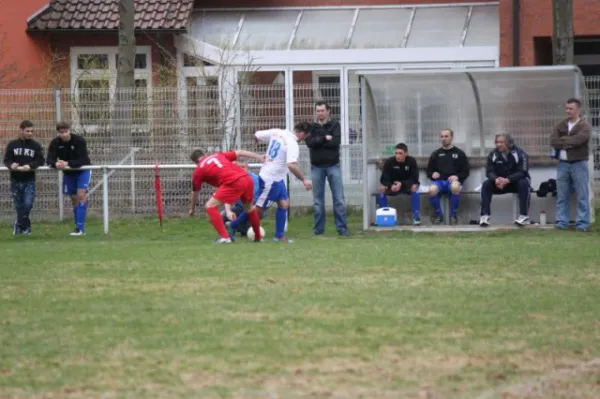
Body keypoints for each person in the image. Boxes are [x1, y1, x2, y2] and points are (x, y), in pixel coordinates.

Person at [226, 123, 312, 242]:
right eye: (306, 136)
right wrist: (304, 179)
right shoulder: (292, 144)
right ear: (302, 133)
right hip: (270, 180)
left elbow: (257, 135)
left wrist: (255, 141)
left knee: (284, 204)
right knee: (258, 209)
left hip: (277, 178)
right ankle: (233, 225)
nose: (304, 139)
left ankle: (279, 236)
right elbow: (291, 165)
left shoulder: (277, 132)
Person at [188, 149, 265, 243]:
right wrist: (259, 157)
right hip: (247, 178)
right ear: (204, 154)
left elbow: (195, 193)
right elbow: (240, 152)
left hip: (233, 182)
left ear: (195, 162)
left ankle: (224, 237)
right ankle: (258, 237)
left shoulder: (198, 171)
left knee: (210, 206)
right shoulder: (218, 155)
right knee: (249, 208)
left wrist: (192, 209)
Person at [305, 101, 349, 236]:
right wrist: (325, 138)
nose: (320, 113)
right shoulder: (311, 127)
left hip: (333, 166)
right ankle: (318, 230)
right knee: (318, 201)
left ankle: (342, 229)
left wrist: (319, 140)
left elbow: (335, 142)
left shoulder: (335, 125)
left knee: (339, 199)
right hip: (316, 167)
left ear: (328, 111)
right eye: (318, 111)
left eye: (322, 110)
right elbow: (310, 143)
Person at [550, 98, 592, 232]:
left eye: (571, 108)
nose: (567, 111)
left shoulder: (584, 126)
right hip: (563, 164)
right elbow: (553, 141)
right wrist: (569, 142)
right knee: (562, 195)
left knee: (582, 194)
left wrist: (563, 141)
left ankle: (582, 224)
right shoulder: (560, 125)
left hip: (579, 163)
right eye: (566, 108)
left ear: (578, 109)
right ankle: (562, 222)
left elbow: (580, 140)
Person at [46, 121, 92, 236]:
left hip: (82, 171)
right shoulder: (55, 143)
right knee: (74, 199)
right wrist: (55, 164)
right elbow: (49, 159)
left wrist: (67, 163)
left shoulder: (79, 141)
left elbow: (84, 160)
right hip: (69, 174)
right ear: (58, 132)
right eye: (61, 132)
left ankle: (80, 228)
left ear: (70, 130)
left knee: (81, 195)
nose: (64, 134)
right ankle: (78, 227)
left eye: (66, 131)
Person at [3, 120, 45, 235]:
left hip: (29, 179)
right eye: (27, 131)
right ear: (21, 130)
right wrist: (11, 165)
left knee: (28, 204)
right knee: (19, 206)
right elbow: (7, 159)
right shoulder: (12, 145)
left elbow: (41, 160)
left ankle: (18, 223)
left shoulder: (35, 145)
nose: (30, 133)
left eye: (32, 131)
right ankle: (26, 228)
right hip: (15, 180)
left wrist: (30, 165)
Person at [479, 134, 531, 227]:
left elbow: (523, 172)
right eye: (497, 142)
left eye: (501, 142)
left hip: (515, 183)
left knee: (524, 182)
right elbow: (489, 171)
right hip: (500, 184)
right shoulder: (493, 154)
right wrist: (496, 179)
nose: (498, 144)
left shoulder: (521, 154)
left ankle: (524, 216)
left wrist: (508, 179)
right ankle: (484, 216)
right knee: (486, 184)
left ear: (508, 143)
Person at [426, 128, 470, 225]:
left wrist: (457, 177)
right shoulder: (436, 154)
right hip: (439, 182)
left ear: (451, 137)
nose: (444, 139)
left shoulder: (459, 153)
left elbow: (466, 171)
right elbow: (429, 171)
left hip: (452, 182)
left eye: (446, 136)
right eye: (442, 136)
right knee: (432, 190)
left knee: (455, 187)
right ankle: (439, 215)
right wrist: (432, 174)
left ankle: (453, 216)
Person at [377, 142, 421, 225]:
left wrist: (402, 184)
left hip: (406, 186)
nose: (398, 156)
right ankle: (385, 217)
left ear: (406, 154)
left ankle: (416, 217)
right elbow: (383, 179)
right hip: (393, 186)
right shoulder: (390, 161)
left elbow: (414, 179)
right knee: (382, 189)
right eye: (396, 153)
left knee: (414, 187)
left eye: (400, 153)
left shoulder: (411, 161)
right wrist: (391, 185)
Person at [222, 166, 269, 238]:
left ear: (247, 168)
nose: (240, 169)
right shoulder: (232, 179)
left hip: (254, 207)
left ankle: (238, 227)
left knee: (253, 215)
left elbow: (257, 201)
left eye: (242, 167)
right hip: (240, 207)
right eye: (238, 167)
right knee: (223, 215)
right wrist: (228, 211)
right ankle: (235, 228)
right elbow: (227, 197)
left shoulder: (255, 180)